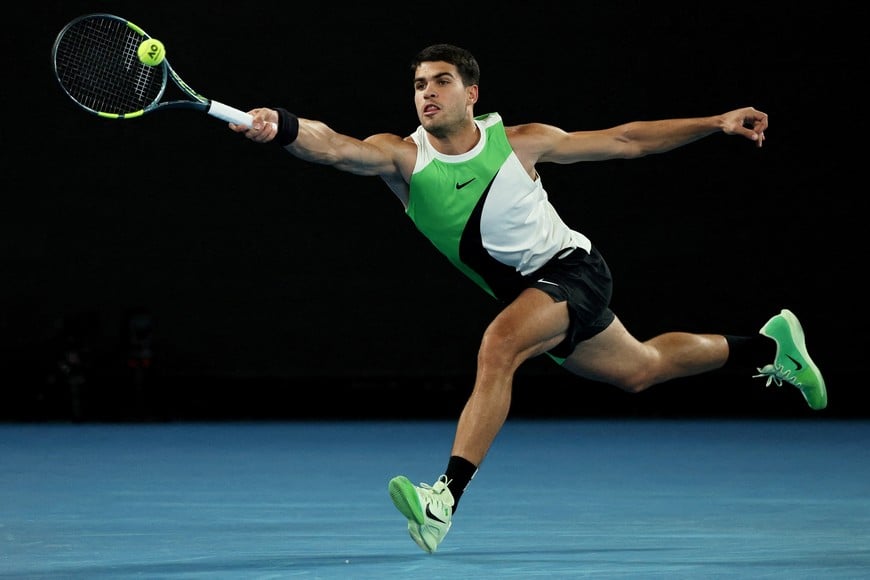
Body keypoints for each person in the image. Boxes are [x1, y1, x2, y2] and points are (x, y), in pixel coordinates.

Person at [230, 43, 827, 554]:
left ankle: (444, 500)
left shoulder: (520, 142)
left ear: (471, 93)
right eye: (418, 85)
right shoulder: (403, 158)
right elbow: (330, 145)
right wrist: (278, 124)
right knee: (642, 369)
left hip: (573, 272)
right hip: (533, 295)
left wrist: (715, 121)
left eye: (442, 81)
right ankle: (767, 347)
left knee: (499, 345)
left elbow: (626, 140)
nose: (427, 93)